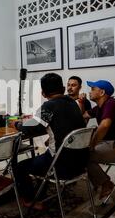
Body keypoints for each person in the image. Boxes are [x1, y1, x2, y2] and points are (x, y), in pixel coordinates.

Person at [12, 73, 87, 209]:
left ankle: (30, 200)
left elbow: (31, 129)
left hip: (61, 163)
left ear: (43, 93)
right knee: (43, 156)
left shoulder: (49, 106)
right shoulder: (73, 103)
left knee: (19, 166)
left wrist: (17, 125)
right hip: (81, 161)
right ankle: (41, 190)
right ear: (64, 89)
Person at [83, 80, 115, 200]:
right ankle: (100, 181)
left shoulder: (111, 104)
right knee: (82, 152)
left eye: (92, 89)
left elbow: (105, 125)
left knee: (84, 156)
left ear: (101, 92)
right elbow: (84, 115)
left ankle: (105, 183)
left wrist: (92, 144)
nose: (89, 92)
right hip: (112, 144)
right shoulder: (100, 107)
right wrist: (81, 102)